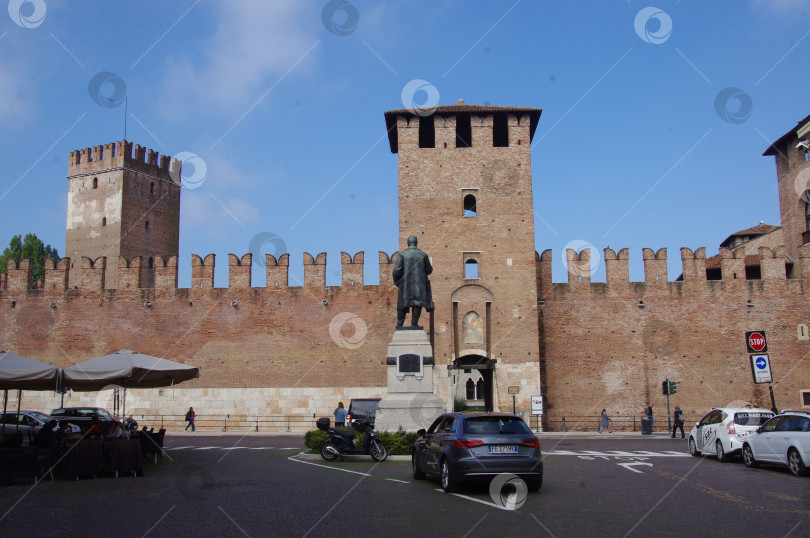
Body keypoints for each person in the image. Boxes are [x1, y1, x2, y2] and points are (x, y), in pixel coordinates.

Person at [392, 236, 434, 328]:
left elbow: (396, 271)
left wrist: (397, 282)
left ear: (408, 243)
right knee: (417, 303)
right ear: (416, 243)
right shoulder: (423, 255)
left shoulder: (402, 255)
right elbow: (429, 270)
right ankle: (414, 323)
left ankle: (400, 324)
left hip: (405, 284)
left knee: (402, 304)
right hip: (419, 285)